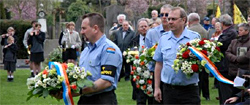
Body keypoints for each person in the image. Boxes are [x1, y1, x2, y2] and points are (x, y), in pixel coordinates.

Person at [153, 7, 201, 104]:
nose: (170, 22)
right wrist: (157, 88)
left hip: (189, 90)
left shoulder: (194, 37)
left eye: (173, 19)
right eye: (169, 19)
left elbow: (201, 62)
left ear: (183, 20)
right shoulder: (163, 39)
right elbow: (159, 63)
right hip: (169, 91)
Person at [78, 13, 122, 104]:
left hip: (102, 100)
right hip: (85, 99)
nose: (81, 32)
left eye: (84, 28)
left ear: (95, 28)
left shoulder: (109, 49)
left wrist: (78, 91)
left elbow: (106, 81)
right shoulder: (86, 50)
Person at [129, 18, 154, 104]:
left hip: (151, 71)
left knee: (152, 97)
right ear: (138, 28)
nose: (144, 28)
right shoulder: (133, 40)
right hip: (138, 72)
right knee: (140, 98)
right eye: (141, 26)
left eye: (145, 26)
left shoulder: (153, 39)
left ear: (149, 27)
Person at [187, 12, 210, 101]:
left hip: (191, 57)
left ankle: (196, 94)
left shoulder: (189, 30)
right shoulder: (204, 30)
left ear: (190, 21)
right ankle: (206, 95)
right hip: (203, 57)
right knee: (204, 77)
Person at [217, 14, 238, 104]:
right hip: (226, 65)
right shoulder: (230, 32)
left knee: (226, 92)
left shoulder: (230, 33)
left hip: (226, 66)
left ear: (222, 23)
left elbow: (221, 44)